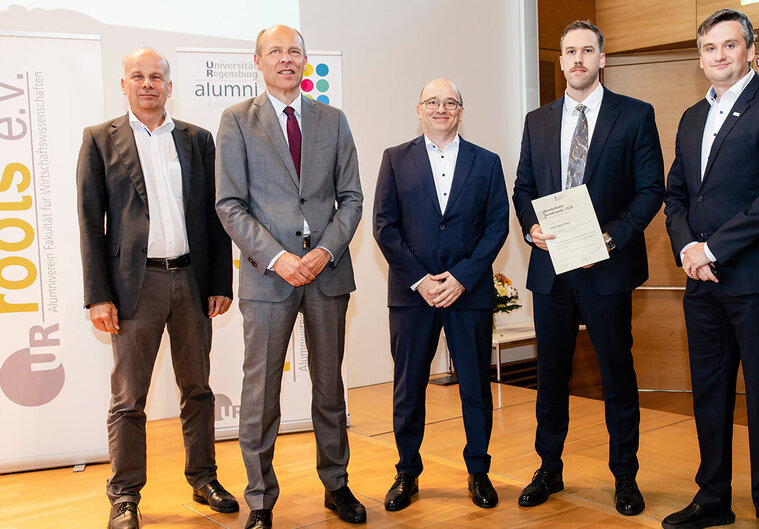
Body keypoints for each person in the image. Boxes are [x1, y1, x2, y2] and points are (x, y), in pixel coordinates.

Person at [77, 47, 237, 529]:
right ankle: (125, 496)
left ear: (169, 85)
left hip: (191, 280)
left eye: (156, 77)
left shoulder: (197, 139)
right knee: (129, 399)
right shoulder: (99, 140)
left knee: (198, 389)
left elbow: (215, 216)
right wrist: (98, 295)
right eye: (138, 76)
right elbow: (90, 223)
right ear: (124, 84)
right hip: (133, 287)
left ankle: (204, 478)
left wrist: (219, 281)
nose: (147, 84)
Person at [512, 20, 664, 517]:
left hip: (607, 267)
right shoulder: (537, 120)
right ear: (561, 61)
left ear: (602, 58)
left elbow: (651, 190)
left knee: (617, 375)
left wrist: (611, 236)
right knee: (550, 377)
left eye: (587, 50)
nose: (578, 59)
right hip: (551, 269)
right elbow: (523, 187)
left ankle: (625, 475)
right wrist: (531, 226)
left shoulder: (635, 115)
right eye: (570, 51)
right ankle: (548, 469)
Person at [215, 25, 364, 529]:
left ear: (304, 61)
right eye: (275, 51)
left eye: (294, 51)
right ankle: (260, 500)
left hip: (327, 274)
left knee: (329, 389)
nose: (286, 58)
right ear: (258, 61)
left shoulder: (333, 120)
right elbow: (229, 205)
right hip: (268, 278)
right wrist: (278, 257)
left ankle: (337, 485)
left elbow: (351, 198)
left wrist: (324, 251)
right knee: (260, 396)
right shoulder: (237, 121)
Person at [662, 9, 759, 529]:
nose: (718, 55)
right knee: (709, 394)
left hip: (758, 280)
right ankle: (713, 499)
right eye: (709, 48)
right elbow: (676, 196)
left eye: (729, 45)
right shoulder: (690, 117)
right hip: (701, 283)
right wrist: (688, 249)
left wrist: (712, 249)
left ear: (750, 50)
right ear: (700, 58)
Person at [373, 78, 509, 512]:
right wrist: (421, 279)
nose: (441, 109)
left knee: (475, 386)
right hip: (413, 294)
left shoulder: (487, 162)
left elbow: (497, 226)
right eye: (432, 101)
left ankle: (478, 471)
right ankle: (407, 472)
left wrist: (462, 277)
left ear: (461, 112)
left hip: (468, 293)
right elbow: (384, 226)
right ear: (419, 109)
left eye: (450, 103)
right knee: (409, 387)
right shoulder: (395, 159)